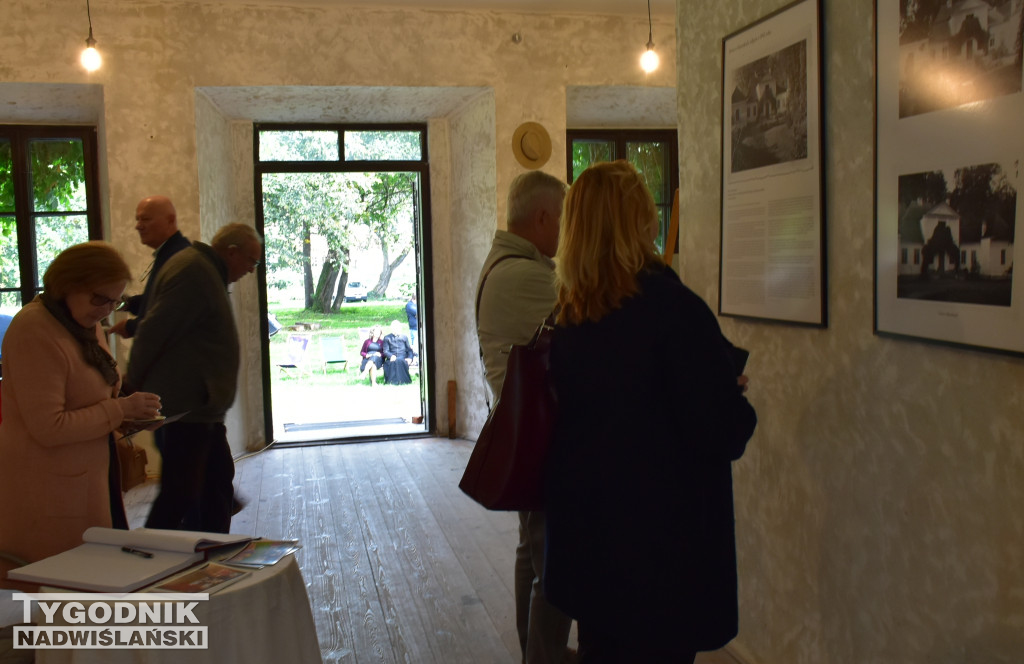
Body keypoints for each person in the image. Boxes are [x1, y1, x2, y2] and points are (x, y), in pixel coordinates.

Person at [543, 161, 757, 663]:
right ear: (638, 222)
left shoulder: (569, 313)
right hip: (660, 551)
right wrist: (733, 397)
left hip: (589, 541)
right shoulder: (673, 309)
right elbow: (721, 431)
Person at [0, 242, 161, 588]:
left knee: (94, 587)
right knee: (61, 596)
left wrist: (128, 415)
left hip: (88, 478)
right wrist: (118, 409)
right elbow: (48, 426)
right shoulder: (34, 329)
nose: (105, 311)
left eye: (114, 302)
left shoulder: (81, 323)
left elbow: (93, 394)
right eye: (99, 299)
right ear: (68, 284)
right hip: (46, 487)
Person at [475, 170, 570, 664]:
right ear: (542, 217)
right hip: (541, 441)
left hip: (524, 435)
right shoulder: (529, 276)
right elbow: (602, 317)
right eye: (564, 220)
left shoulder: (506, 264)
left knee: (532, 552)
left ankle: (535, 650)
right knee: (552, 560)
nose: (566, 232)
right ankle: (544, 657)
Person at [126, 223, 262, 534]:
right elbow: (153, 331)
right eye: (251, 261)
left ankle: (211, 555)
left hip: (201, 408)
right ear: (232, 252)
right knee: (182, 494)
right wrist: (131, 390)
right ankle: (154, 554)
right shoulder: (195, 271)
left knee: (215, 487)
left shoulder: (206, 271)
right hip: (188, 408)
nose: (252, 270)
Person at [108, 195, 191, 339]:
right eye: (137, 219)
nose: (138, 226)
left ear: (170, 220)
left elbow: (170, 317)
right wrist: (125, 303)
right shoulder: (168, 253)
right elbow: (160, 299)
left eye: (145, 219)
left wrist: (131, 327)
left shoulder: (178, 258)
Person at [382, 320, 415, 385]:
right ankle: (393, 381)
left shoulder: (404, 337)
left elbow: (409, 350)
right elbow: (385, 351)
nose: (396, 328)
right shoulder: (387, 338)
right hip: (391, 358)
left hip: (403, 357)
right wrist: (391, 356)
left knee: (399, 360)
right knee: (394, 361)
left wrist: (410, 358)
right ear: (392, 328)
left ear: (400, 328)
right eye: (394, 327)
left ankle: (403, 381)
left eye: (397, 327)